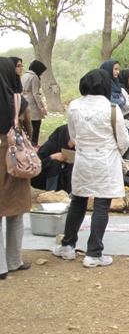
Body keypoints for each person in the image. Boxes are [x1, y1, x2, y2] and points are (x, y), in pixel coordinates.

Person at [53, 69, 129, 268]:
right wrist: (114, 151)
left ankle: (68, 245)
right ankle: (94, 252)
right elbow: (123, 140)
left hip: (84, 158)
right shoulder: (112, 109)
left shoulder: (74, 107)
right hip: (105, 159)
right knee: (102, 205)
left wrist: (85, 145)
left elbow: (73, 134)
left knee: (78, 201)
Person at [0, 57, 33, 279]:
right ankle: (13, 261)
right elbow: (29, 128)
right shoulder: (19, 101)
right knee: (15, 211)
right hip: (13, 157)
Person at [31, 125, 75, 193]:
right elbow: (36, 164)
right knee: (55, 163)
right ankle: (51, 192)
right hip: (42, 176)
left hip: (63, 179)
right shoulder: (51, 144)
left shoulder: (78, 147)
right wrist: (52, 157)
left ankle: (69, 195)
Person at [21, 60, 47, 146]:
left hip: (24, 99)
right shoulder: (34, 77)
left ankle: (26, 142)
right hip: (32, 102)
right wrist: (41, 106)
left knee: (26, 123)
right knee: (36, 123)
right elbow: (35, 93)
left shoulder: (24, 75)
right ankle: (34, 143)